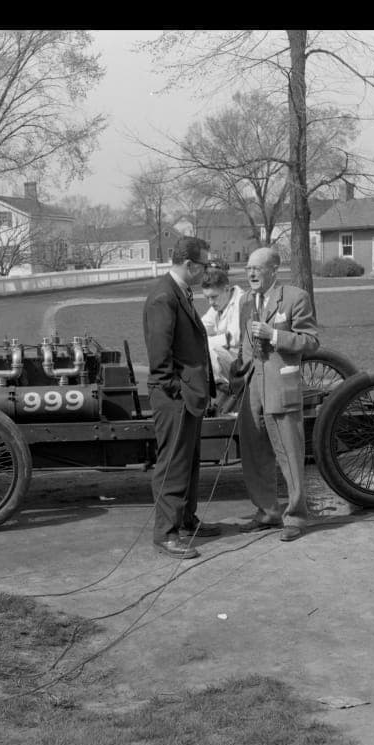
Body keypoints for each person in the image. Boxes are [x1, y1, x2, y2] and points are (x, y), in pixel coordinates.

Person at [142, 236, 222, 559]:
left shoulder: (178, 292)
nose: (206, 270)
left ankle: (186, 521)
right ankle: (166, 533)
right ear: (189, 265)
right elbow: (160, 359)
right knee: (172, 465)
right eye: (203, 265)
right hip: (174, 399)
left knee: (187, 464)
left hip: (186, 397)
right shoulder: (164, 297)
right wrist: (178, 391)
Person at [236, 247, 320, 542]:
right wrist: (238, 370)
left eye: (257, 268)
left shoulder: (295, 297)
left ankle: (296, 516)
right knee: (255, 452)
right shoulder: (246, 300)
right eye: (248, 268)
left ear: (274, 270)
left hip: (281, 387)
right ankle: (267, 511)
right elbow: (245, 344)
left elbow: (311, 342)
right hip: (253, 389)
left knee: (290, 453)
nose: (251, 274)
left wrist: (274, 335)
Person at [200, 268, 245, 411]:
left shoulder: (241, 302)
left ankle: (222, 388)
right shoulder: (221, 301)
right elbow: (201, 327)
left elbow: (233, 338)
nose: (210, 302)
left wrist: (203, 341)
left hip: (243, 360)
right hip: (228, 358)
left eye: (213, 297)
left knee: (208, 348)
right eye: (207, 298)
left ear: (226, 289)